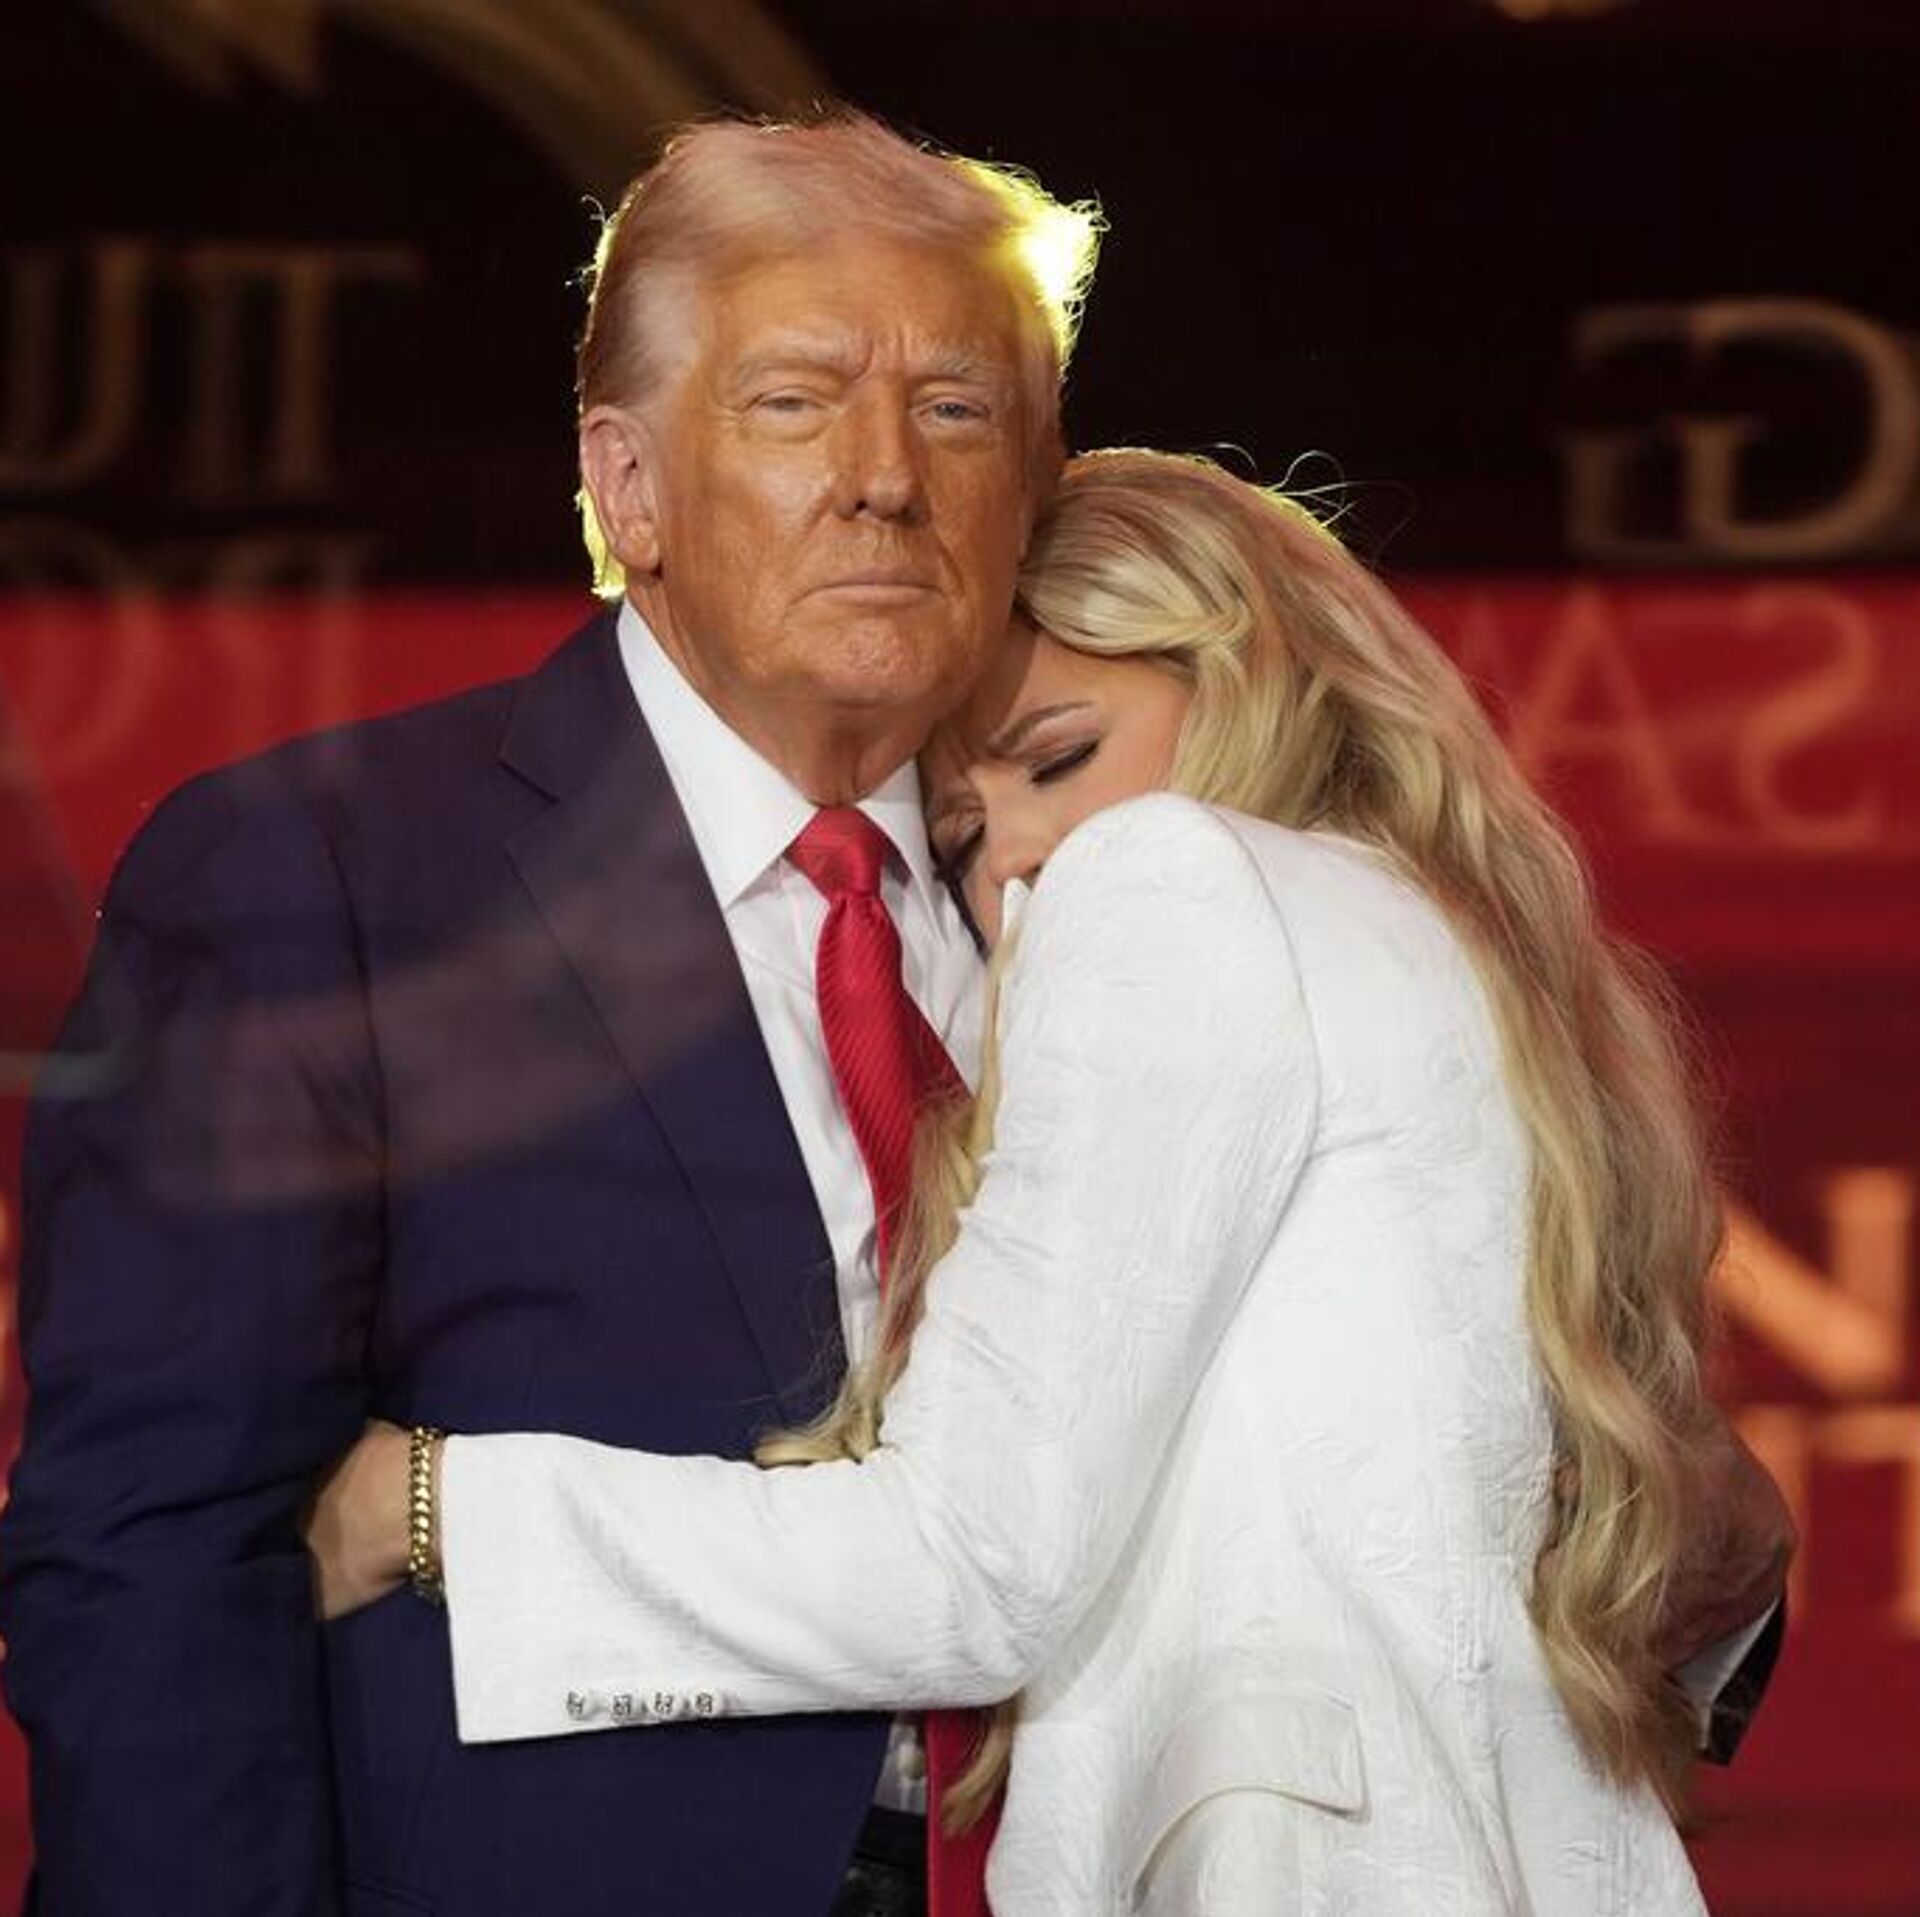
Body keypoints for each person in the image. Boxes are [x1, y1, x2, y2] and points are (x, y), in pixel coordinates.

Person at [309, 449, 1794, 1915]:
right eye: (955, 834)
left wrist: (431, 1506)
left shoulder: (1169, 877)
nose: (1015, 856)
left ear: (1247, 671)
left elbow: (977, 1559)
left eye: (1059, 756)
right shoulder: (1440, 942)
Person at [0, 111, 1102, 1917]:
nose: (886, 478)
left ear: (1038, 488)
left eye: (958, 409)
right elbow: (155, 1556)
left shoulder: (1118, 906)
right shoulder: (319, 876)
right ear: (627, 485)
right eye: (796, 401)